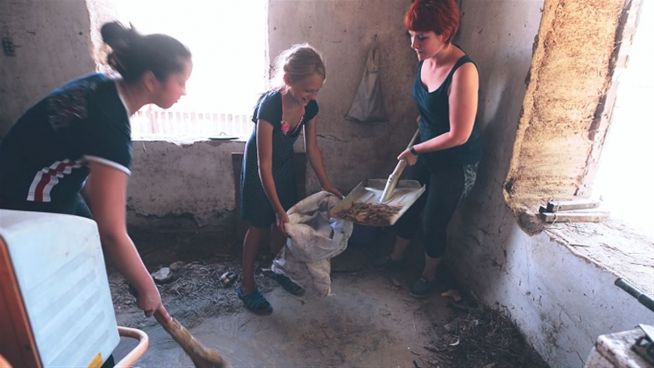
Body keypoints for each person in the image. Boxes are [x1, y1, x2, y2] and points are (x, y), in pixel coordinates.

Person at [0, 22, 192, 319]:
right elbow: (113, 232)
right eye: (181, 82)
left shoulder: (104, 85)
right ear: (151, 81)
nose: (184, 92)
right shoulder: (110, 125)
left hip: (50, 184)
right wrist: (147, 287)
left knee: (90, 256)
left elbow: (94, 192)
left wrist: (132, 272)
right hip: (25, 200)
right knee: (58, 284)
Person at [374, 0, 481, 298]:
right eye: (411, 35)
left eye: (421, 37)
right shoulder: (426, 58)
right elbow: (432, 108)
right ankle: (396, 259)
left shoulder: (464, 71)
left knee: (433, 221)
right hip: (427, 148)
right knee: (406, 205)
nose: (413, 44)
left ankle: (429, 274)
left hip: (455, 161)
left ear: (445, 33)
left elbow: (460, 134)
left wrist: (417, 150)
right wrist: (424, 121)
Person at [238, 44, 342, 315]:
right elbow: (263, 163)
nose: (312, 96)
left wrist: (327, 184)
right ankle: (246, 285)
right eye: (307, 90)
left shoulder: (310, 107)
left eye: (317, 90)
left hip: (282, 167)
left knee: (282, 225)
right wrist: (276, 206)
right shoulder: (271, 105)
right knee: (259, 226)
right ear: (287, 80)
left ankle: (279, 269)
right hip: (260, 170)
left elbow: (312, 149)